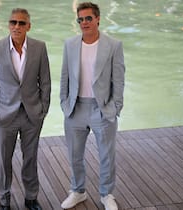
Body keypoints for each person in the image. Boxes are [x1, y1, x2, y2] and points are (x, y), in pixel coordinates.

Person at [60, 2, 125, 210]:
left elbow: (119, 79)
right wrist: (64, 103)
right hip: (75, 108)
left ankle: (107, 195)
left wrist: (115, 108)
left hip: (102, 109)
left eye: (88, 18)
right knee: (74, 155)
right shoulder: (70, 44)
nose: (84, 23)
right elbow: (64, 77)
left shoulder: (113, 45)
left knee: (107, 155)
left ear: (98, 19)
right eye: (81, 19)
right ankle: (78, 191)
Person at [0, 8, 51, 210]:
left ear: (28, 26)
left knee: (30, 158)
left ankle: (31, 198)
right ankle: (4, 200)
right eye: (13, 22)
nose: (17, 26)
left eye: (22, 23)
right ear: (8, 25)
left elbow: (45, 82)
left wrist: (43, 109)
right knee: (3, 160)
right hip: (4, 115)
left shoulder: (39, 48)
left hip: (32, 114)